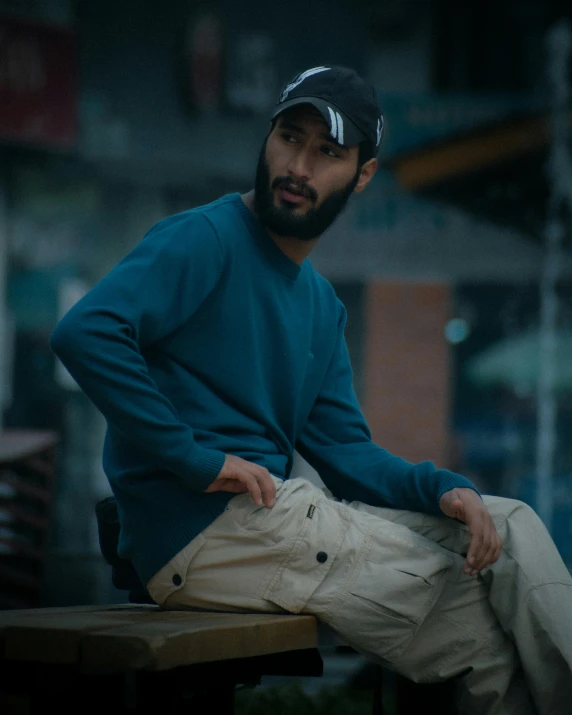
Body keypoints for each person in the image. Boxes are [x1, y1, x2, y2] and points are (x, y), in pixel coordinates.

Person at [50, 65, 571, 715]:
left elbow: (349, 453)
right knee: (482, 627)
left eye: (327, 152)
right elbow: (87, 332)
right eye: (289, 138)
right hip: (205, 533)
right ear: (267, 138)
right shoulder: (205, 238)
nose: (298, 165)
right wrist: (192, 457)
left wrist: (444, 488)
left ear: (363, 174)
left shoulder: (322, 306)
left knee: (509, 524)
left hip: (270, 523)